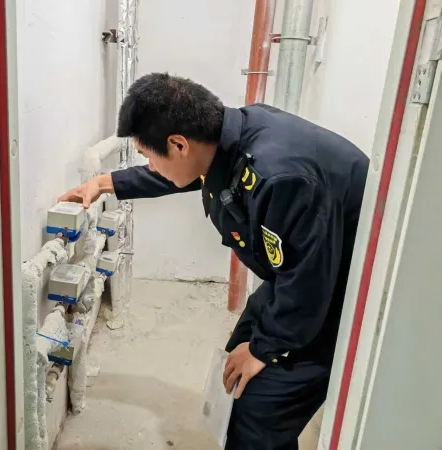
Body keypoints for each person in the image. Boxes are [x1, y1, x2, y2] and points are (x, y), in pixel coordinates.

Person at [59, 72, 369, 449]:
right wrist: (107, 183)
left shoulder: (278, 176)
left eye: (148, 155)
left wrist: (263, 349)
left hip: (343, 297)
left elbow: (310, 283)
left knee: (256, 410)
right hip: (300, 274)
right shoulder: (227, 139)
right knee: (234, 369)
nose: (150, 164)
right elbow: (190, 173)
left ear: (178, 144)